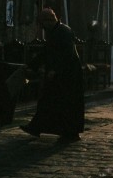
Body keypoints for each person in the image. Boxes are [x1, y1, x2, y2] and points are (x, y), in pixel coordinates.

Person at [20, 8, 84, 143]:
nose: (42, 27)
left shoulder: (64, 32)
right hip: (60, 73)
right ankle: (36, 127)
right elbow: (46, 52)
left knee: (65, 103)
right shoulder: (54, 32)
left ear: (48, 21)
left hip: (68, 74)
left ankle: (70, 132)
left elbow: (66, 54)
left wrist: (55, 70)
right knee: (48, 100)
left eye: (42, 23)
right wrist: (31, 65)